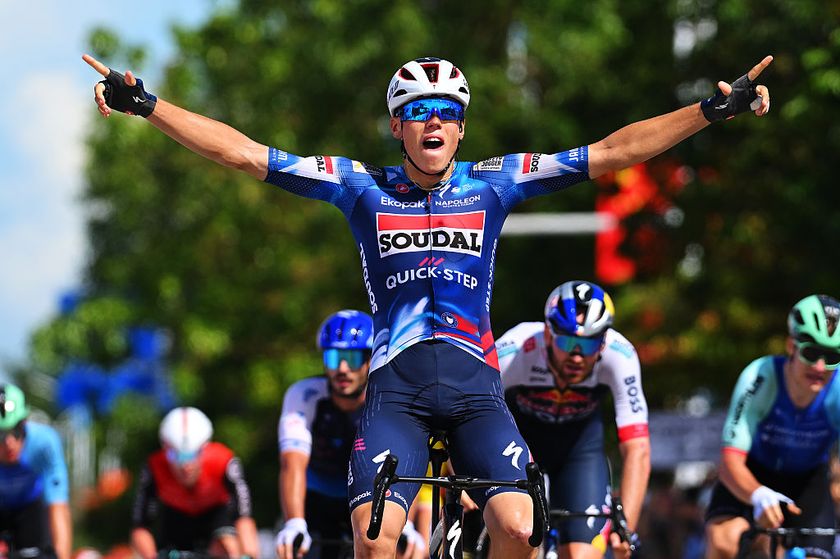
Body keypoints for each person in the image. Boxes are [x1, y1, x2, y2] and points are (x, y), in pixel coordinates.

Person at [83, 52, 772, 559]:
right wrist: (149, 106)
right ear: (396, 126)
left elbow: (616, 150)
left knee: (520, 526)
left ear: (462, 129)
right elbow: (243, 154)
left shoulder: (496, 184)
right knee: (377, 536)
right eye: (418, 112)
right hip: (399, 392)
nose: (433, 122)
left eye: (447, 113)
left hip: (476, 387)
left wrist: (711, 111)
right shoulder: (359, 188)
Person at [495, 281, 649, 559]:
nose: (577, 355)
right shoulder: (515, 348)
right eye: (567, 342)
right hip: (520, 448)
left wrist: (625, 527)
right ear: (547, 333)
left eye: (589, 344)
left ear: (603, 342)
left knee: (582, 555)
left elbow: (637, 448)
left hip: (579, 453)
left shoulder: (621, 355)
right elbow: (470, 413)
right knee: (519, 537)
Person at [274, 309, 427, 559]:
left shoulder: (388, 399)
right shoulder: (304, 395)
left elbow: (406, 462)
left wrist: (406, 522)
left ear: (370, 360)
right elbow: (292, 464)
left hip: (368, 494)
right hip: (316, 500)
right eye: (334, 358)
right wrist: (294, 523)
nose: (342, 369)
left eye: (352, 358)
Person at [704, 294, 840, 559]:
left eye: (833, 356)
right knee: (724, 542)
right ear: (791, 346)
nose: (821, 367)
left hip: (808, 481)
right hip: (753, 473)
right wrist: (756, 494)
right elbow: (730, 459)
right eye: (812, 353)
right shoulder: (760, 377)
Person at [131, 406, 260, 559]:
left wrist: (249, 554)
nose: (186, 465)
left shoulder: (224, 461)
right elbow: (140, 526)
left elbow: (244, 517)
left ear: (205, 448)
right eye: (175, 455)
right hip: (176, 517)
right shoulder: (154, 467)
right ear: (165, 450)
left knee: (227, 545)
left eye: (193, 454)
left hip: (215, 515)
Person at [0, 383, 72, 559]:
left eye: (15, 431)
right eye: (0, 435)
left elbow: (58, 507)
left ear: (25, 423)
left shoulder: (44, 443)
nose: (9, 442)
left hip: (31, 509)